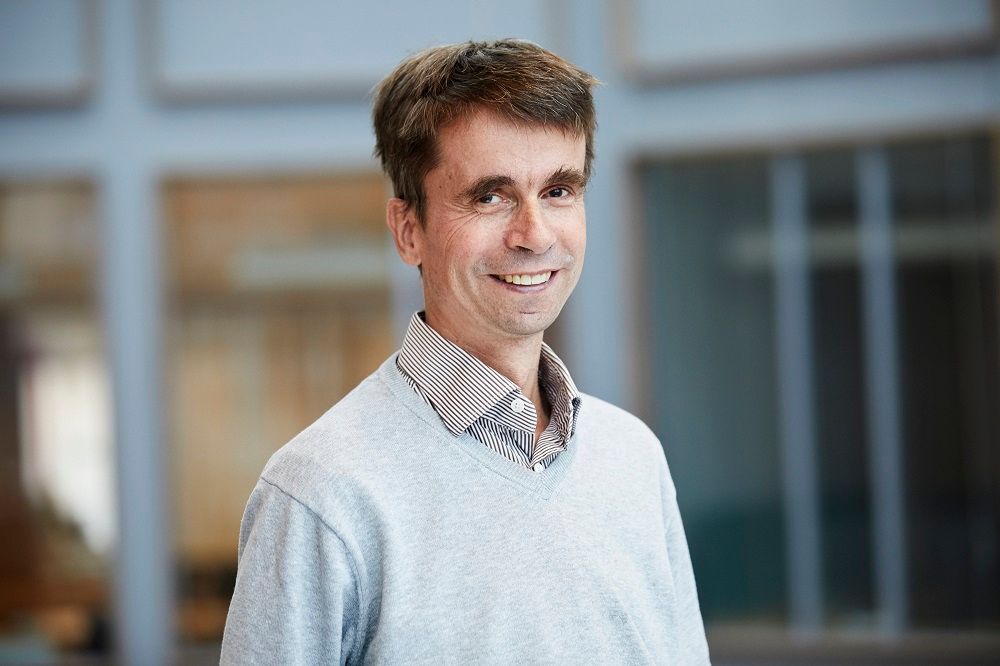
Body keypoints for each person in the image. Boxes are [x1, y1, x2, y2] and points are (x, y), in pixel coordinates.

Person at [221, 39, 709, 665]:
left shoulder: (633, 460)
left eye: (559, 190)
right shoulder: (322, 494)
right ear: (408, 230)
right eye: (490, 196)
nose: (534, 234)